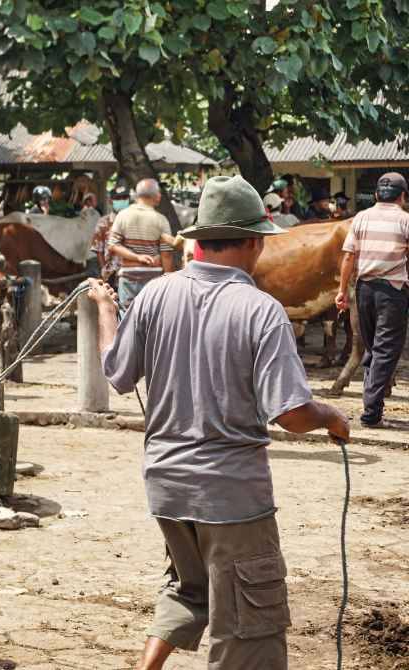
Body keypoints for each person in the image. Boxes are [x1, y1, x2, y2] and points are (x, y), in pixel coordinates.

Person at [88, 174, 350, 670]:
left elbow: (116, 373)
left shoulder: (152, 296)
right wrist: (331, 415)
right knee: (249, 629)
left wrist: (105, 308)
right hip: (230, 498)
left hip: (166, 486)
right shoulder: (261, 310)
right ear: (254, 241)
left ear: (199, 240)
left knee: (190, 588)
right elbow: (291, 414)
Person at [335, 172, 409, 429]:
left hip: (363, 290)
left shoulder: (361, 218)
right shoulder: (405, 220)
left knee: (372, 347)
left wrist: (342, 291)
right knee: (386, 351)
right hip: (392, 292)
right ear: (402, 196)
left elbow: (348, 257)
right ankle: (371, 413)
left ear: (377, 195)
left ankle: (372, 400)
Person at [107, 178, 175, 310]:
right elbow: (166, 255)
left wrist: (136, 257)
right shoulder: (161, 220)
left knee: (127, 317)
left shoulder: (123, 215)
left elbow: (113, 245)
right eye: (159, 193)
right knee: (151, 319)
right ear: (156, 196)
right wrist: (169, 281)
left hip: (128, 278)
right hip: (153, 280)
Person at [92, 187, 127, 287]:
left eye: (124, 198)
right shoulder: (103, 222)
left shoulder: (134, 221)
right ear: (110, 201)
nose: (122, 201)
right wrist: (104, 269)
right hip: (110, 274)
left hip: (129, 273)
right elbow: (98, 249)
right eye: (118, 198)